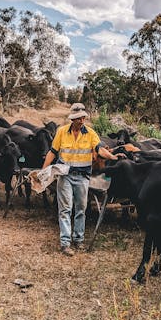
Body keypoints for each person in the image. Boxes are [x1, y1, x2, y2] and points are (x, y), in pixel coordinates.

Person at [42, 102, 123, 255]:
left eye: (83, 118)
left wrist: (112, 156)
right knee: (65, 209)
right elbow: (53, 152)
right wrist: (44, 170)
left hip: (83, 177)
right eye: (78, 118)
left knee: (81, 209)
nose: (81, 120)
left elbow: (99, 150)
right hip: (65, 175)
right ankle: (65, 243)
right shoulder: (61, 132)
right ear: (72, 119)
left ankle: (78, 240)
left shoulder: (91, 133)